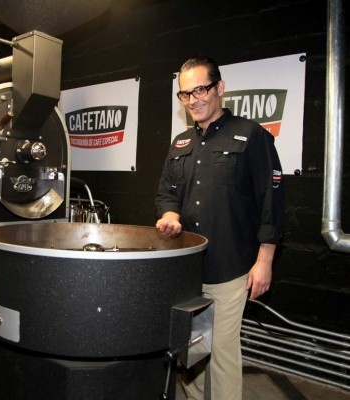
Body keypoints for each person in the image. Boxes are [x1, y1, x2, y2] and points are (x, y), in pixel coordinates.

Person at [155, 56, 284, 400]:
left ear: (219, 88)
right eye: (185, 93)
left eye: (200, 89)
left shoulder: (252, 135)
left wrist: (265, 260)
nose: (193, 99)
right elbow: (167, 192)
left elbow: (272, 202)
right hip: (187, 269)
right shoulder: (180, 142)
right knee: (193, 349)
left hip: (231, 269)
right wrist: (169, 214)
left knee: (222, 355)